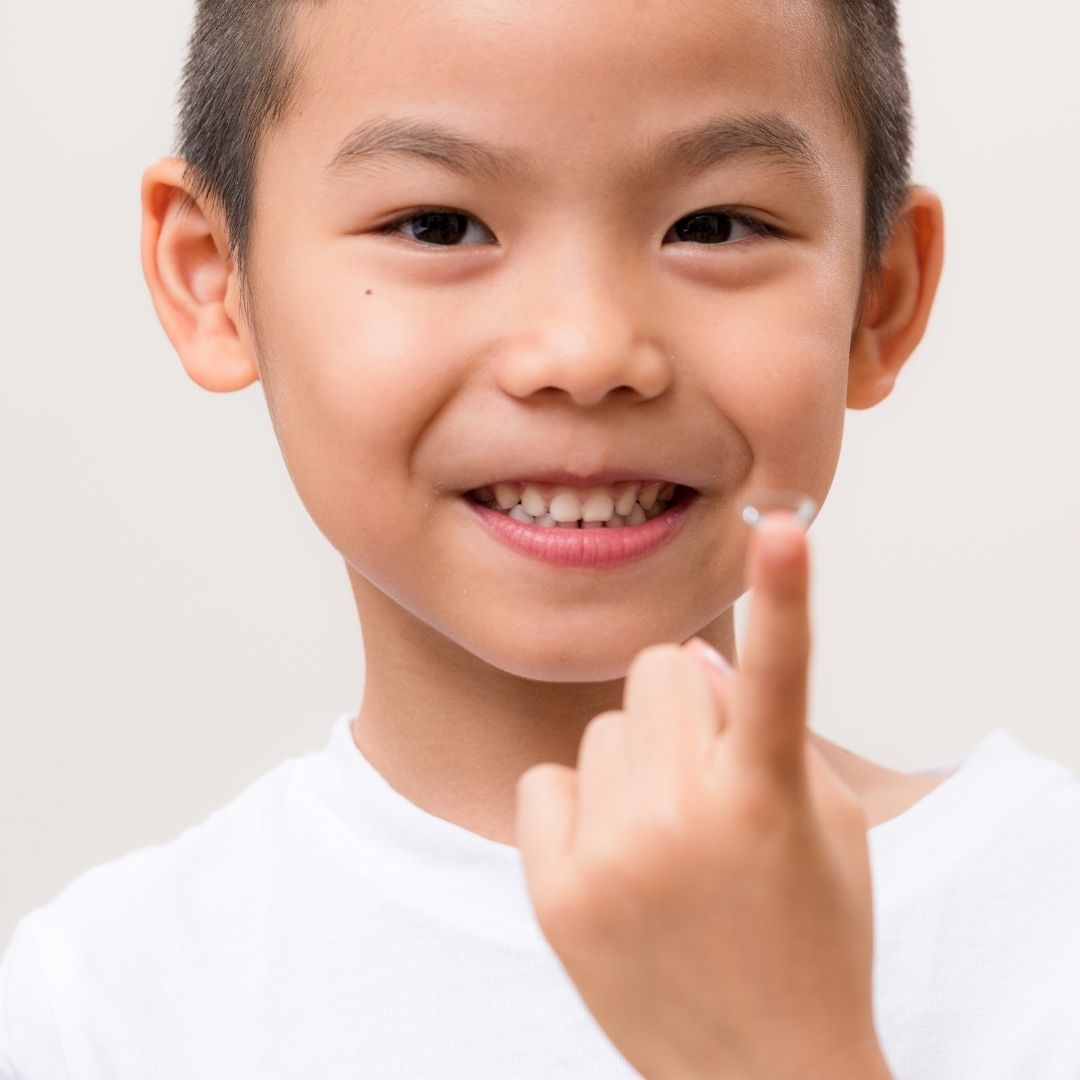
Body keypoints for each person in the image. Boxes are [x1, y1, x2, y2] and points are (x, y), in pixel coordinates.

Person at [2, 0, 1078, 1076]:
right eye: (437, 225)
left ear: (878, 298)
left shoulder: (1048, 925)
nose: (586, 349)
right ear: (212, 274)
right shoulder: (99, 1012)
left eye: (713, 226)